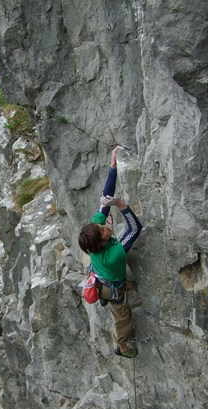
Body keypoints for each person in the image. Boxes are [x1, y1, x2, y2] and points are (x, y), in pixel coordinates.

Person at [78, 146, 142, 358]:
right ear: (103, 243)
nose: (105, 226)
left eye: (101, 225)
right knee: (122, 316)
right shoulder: (114, 255)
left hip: (99, 272)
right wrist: (121, 205)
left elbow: (105, 197)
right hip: (112, 287)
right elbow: (134, 229)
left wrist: (113, 165)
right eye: (104, 230)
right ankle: (122, 347)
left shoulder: (95, 234)